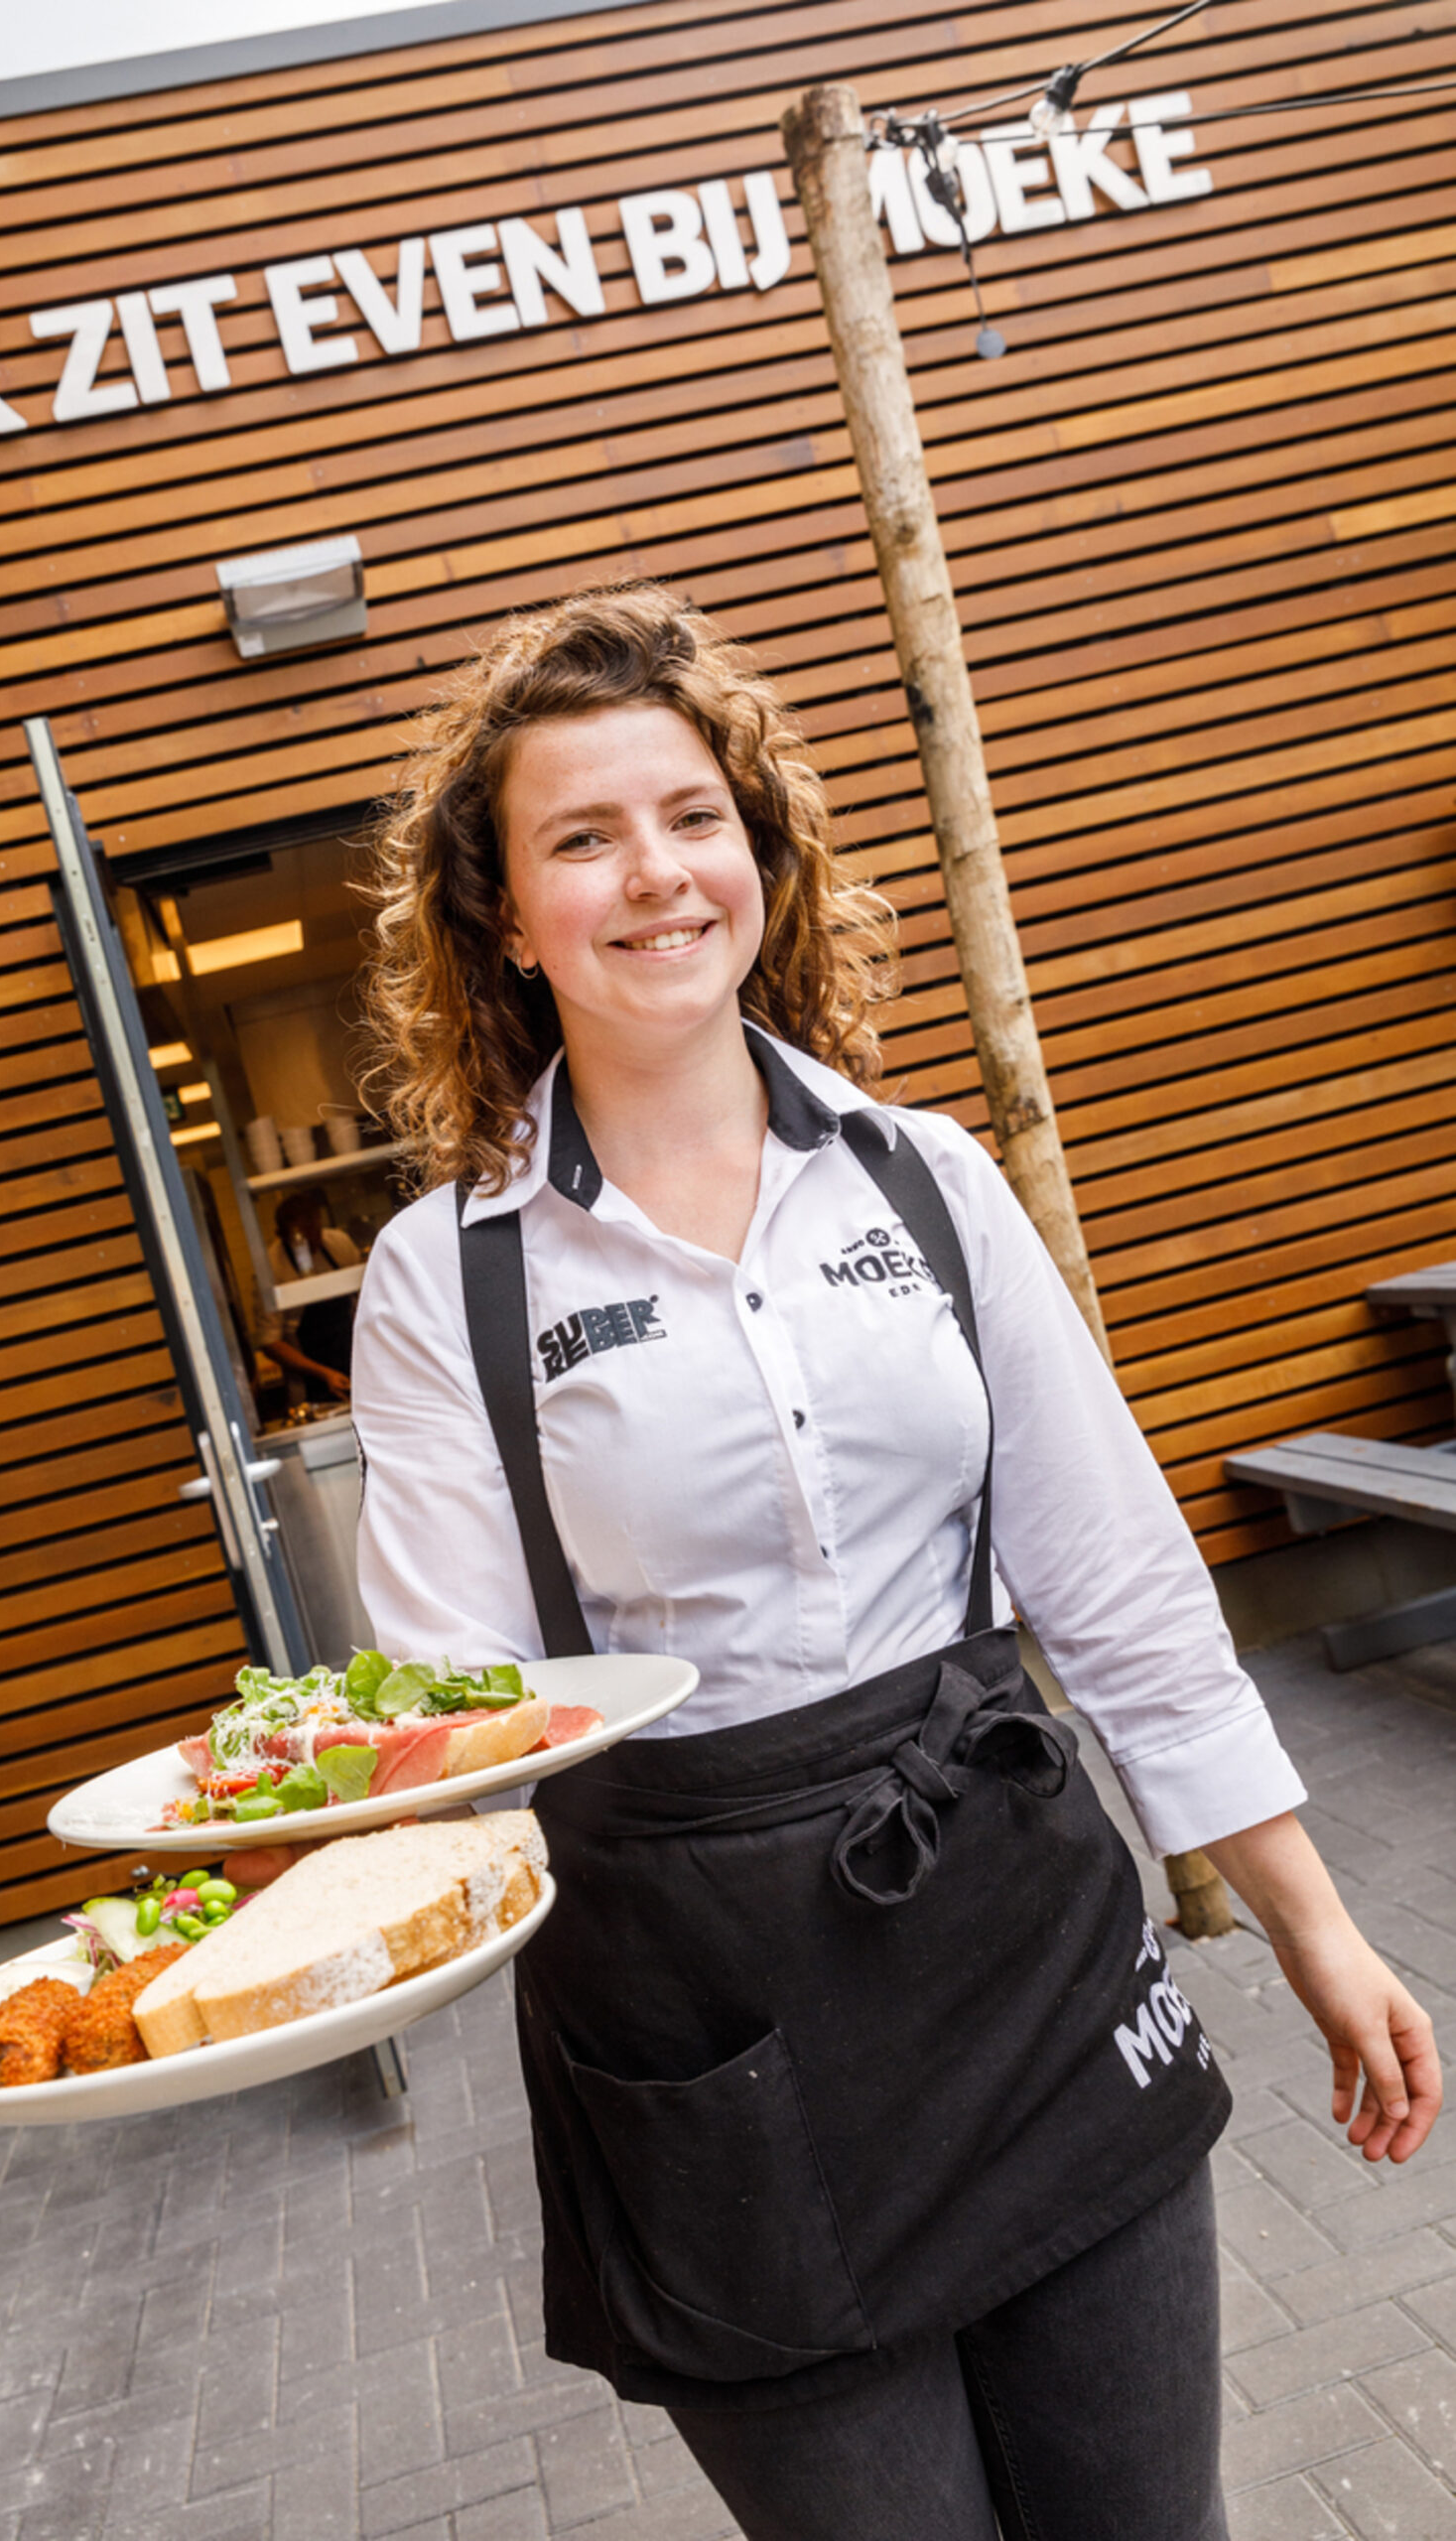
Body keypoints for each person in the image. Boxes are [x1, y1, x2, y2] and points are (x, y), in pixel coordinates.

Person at [343, 585, 1440, 2541]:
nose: (650, 873)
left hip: (1018, 1943)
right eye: (580, 837)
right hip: (704, 2021)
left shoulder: (922, 1174)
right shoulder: (449, 1275)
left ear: (757, 855)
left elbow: (1113, 1581)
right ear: (502, 917)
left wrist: (1311, 1922)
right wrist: (313, 1882)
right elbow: (453, 1703)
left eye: (690, 817)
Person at [255, 1184, 360, 1404]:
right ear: (280, 1235)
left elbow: (365, 1300)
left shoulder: (339, 1243)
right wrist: (324, 1373)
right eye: (301, 1240)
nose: (312, 1244)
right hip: (309, 1384)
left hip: (358, 1362)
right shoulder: (270, 1268)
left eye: (316, 1234)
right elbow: (270, 1342)